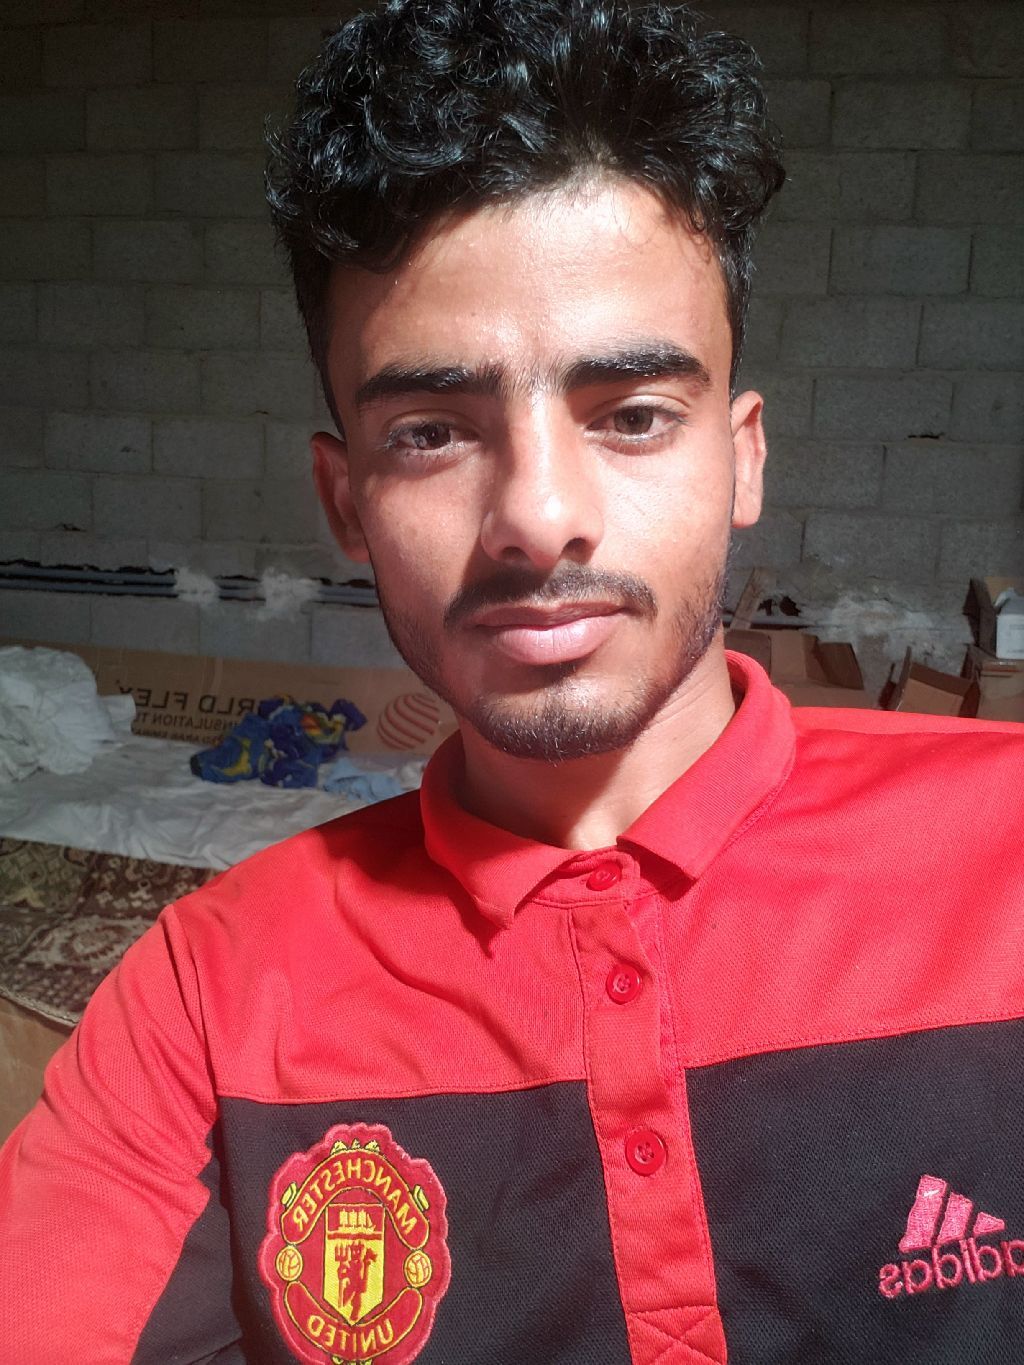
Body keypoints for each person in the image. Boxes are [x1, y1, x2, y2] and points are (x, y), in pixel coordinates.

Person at [2, 1, 1022, 1361]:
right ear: (346, 500)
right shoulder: (205, 998)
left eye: (634, 416)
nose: (539, 518)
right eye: (432, 432)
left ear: (743, 459)